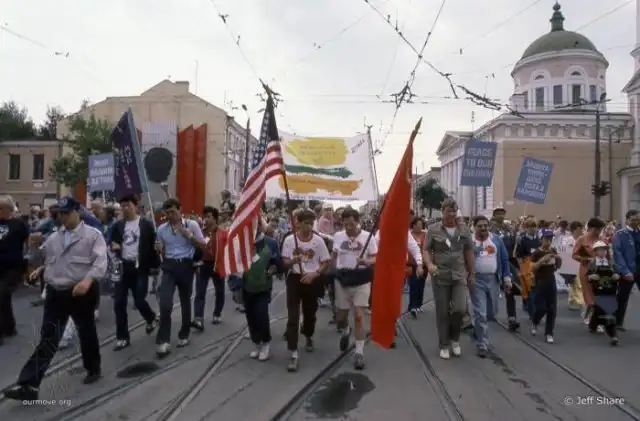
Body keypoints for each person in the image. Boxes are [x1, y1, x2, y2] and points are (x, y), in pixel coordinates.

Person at [4, 196, 107, 401]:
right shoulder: (54, 237)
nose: (63, 217)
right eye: (60, 213)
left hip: (80, 291)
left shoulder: (92, 236)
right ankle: (29, 385)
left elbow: (100, 262)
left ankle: (93, 368)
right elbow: (50, 259)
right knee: (49, 337)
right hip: (56, 292)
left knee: (86, 331)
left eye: (66, 213)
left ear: (77, 212)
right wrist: (39, 264)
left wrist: (88, 281)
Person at [155, 198, 206, 358]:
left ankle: (184, 332)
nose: (170, 216)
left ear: (180, 210)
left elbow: (203, 245)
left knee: (185, 300)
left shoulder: (192, 225)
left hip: (185, 265)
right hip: (169, 266)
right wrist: (159, 248)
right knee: (165, 302)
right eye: (167, 213)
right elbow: (162, 251)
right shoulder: (161, 229)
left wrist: (189, 236)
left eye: (173, 212)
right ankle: (163, 340)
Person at [424, 199, 475, 360]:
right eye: (448, 211)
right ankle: (444, 344)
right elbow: (426, 250)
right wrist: (429, 264)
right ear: (443, 211)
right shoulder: (433, 230)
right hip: (440, 275)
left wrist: (472, 273)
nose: (452, 214)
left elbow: (469, 252)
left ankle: (455, 339)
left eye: (454, 211)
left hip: (459, 275)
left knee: (460, 309)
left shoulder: (464, 230)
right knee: (442, 311)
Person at [281, 208, 331, 372]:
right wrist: (292, 261)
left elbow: (325, 261)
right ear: (298, 223)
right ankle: (293, 352)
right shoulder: (290, 240)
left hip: (312, 279)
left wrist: (315, 274)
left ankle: (308, 334)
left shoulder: (318, 241)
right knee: (293, 315)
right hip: (295, 279)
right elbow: (285, 261)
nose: (309, 226)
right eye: (306, 223)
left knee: (310, 314)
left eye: (311, 223)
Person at [109, 194, 159, 350]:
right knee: (119, 303)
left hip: (140, 267)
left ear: (135, 206)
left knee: (139, 300)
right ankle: (122, 337)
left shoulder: (146, 224)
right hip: (123, 267)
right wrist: (114, 246)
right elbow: (112, 242)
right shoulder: (118, 226)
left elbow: (153, 244)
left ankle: (151, 317)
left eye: (128, 205)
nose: (125, 209)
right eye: (122, 206)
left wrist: (156, 262)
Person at [333, 208, 377, 370]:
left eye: (351, 224)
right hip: (343, 278)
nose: (348, 228)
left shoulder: (368, 237)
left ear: (358, 222)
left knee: (359, 316)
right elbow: (334, 256)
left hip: (361, 278)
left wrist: (366, 262)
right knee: (341, 316)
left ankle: (359, 352)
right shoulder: (338, 236)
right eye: (345, 224)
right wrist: (331, 273)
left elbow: (376, 257)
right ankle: (346, 330)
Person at [470, 215, 512, 358]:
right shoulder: (470, 241)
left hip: (493, 279)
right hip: (477, 280)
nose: (483, 228)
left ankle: (477, 326)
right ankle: (482, 344)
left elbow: (504, 259)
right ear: (474, 227)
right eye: (480, 226)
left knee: (491, 312)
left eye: (485, 225)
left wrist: (507, 277)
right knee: (480, 312)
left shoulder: (496, 240)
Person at [244, 219, 282, 361]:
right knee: (251, 316)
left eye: (256, 224)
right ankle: (257, 343)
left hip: (263, 286)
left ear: (260, 226)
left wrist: (274, 268)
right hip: (246, 285)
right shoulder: (242, 242)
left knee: (261, 314)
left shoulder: (270, 242)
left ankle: (266, 344)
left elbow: (278, 262)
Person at [0, 195, 29, 346]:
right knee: (3, 298)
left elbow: (29, 241)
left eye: (0, 208)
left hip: (13, 267)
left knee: (2, 293)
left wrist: (29, 258)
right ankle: (9, 327)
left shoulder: (19, 224)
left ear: (8, 209)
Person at [192, 206, 228, 330]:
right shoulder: (200, 233)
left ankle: (217, 313)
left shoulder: (223, 233)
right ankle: (198, 318)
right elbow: (195, 249)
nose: (206, 219)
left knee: (220, 291)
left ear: (215, 218)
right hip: (203, 264)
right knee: (200, 292)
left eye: (209, 216)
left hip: (218, 264)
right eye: (205, 216)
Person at [530, 229, 562, 343]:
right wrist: (542, 260)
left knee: (552, 309)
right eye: (546, 239)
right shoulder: (537, 252)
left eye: (550, 239)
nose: (548, 241)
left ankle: (549, 333)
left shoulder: (553, 250)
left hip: (551, 281)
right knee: (541, 308)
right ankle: (535, 321)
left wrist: (558, 258)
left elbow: (558, 266)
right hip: (540, 282)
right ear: (541, 239)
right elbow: (532, 268)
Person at [573, 217, 606, 325]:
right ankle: (591, 318)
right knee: (589, 295)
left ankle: (591, 316)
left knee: (599, 296)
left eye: (601, 229)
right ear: (592, 228)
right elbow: (574, 255)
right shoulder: (582, 239)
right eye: (598, 229)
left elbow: (608, 256)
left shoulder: (602, 239)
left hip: (600, 270)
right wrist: (587, 259)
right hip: (586, 270)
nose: (600, 231)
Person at [612, 210, 640, 331]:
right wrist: (625, 271)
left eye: (638, 219)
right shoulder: (620, 235)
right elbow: (618, 254)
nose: (636, 222)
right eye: (633, 219)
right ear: (627, 220)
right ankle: (618, 322)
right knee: (622, 297)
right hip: (628, 269)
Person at [587, 241, 620, 345]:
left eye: (604, 249)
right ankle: (596, 326)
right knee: (601, 310)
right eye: (600, 249)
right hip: (598, 290)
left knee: (608, 311)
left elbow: (617, 273)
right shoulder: (592, 263)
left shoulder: (610, 263)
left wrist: (616, 276)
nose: (603, 252)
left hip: (610, 290)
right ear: (596, 251)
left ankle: (612, 335)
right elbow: (587, 275)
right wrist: (591, 277)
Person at [514, 218, 541, 320]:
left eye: (534, 226)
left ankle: (534, 308)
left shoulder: (538, 240)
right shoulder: (522, 239)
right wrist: (521, 268)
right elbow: (518, 256)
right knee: (528, 289)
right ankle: (530, 309)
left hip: (536, 265)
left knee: (536, 288)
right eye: (530, 227)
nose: (532, 229)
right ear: (526, 228)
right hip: (526, 264)